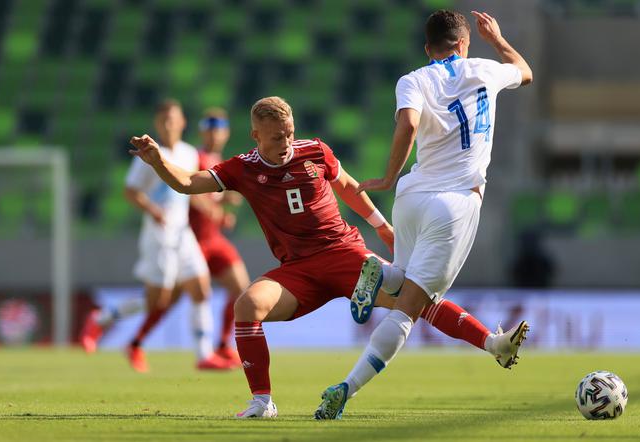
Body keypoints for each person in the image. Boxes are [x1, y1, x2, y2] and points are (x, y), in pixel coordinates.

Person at [128, 96, 514, 419]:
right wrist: (158, 161)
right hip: (296, 271)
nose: (287, 142)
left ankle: (492, 344)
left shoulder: (315, 151)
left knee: (416, 302)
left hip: (344, 255)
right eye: (277, 137)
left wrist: (380, 225)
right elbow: (187, 183)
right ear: (256, 136)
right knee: (247, 306)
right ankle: (263, 401)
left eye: (290, 133)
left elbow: (346, 186)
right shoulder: (242, 168)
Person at [315, 10, 534, 419]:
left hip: (412, 195)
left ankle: (385, 277)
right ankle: (346, 387)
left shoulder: (413, 79)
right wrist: (499, 39)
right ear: (464, 43)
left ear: (427, 48)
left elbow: (409, 125)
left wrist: (387, 176)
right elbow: (524, 70)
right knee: (408, 310)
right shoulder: (485, 69)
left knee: (405, 289)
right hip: (455, 204)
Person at [81, 99, 231, 372]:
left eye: (172, 119)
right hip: (159, 235)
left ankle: (204, 355)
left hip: (182, 233)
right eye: (163, 120)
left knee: (201, 289)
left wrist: (214, 208)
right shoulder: (150, 155)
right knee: (157, 301)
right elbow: (130, 192)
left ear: (183, 123)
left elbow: (191, 189)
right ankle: (103, 317)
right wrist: (152, 210)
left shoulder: (188, 153)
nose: (168, 124)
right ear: (157, 124)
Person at [188, 107, 250, 366]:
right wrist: (217, 213)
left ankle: (224, 344)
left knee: (240, 288)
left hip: (213, 239)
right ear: (203, 131)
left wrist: (224, 198)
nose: (215, 134)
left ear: (226, 133)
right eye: (210, 129)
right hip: (190, 240)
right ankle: (113, 321)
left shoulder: (219, 161)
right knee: (163, 298)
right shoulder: (194, 157)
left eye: (219, 129)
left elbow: (209, 196)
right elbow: (190, 193)